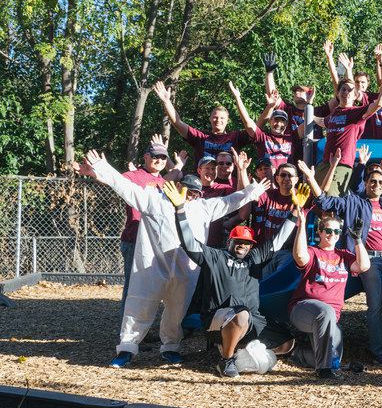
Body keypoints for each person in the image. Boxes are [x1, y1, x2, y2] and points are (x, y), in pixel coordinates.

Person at [75, 150, 269, 367]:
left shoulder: (203, 208)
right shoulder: (153, 200)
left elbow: (230, 201)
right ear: (177, 187)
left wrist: (253, 190)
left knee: (177, 310)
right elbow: (124, 186)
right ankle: (127, 348)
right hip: (152, 265)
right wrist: (103, 167)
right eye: (188, 191)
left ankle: (170, 347)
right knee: (140, 305)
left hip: (185, 269)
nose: (191, 196)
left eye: (196, 193)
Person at [169, 181, 299, 376]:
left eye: (247, 243)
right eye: (238, 241)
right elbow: (188, 242)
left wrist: (295, 212)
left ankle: (240, 350)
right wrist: (180, 210)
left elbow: (278, 241)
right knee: (241, 314)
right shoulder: (216, 257)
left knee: (288, 342)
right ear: (230, 241)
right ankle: (226, 360)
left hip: (252, 320)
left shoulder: (255, 258)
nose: (242, 245)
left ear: (251, 246)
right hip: (217, 319)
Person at [300, 161, 382, 366]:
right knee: (376, 305)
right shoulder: (354, 203)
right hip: (369, 260)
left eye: (381, 181)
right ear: (365, 183)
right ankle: (378, 350)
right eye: (372, 181)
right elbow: (323, 201)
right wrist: (311, 178)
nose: (376, 184)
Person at [288, 208, 371, 378]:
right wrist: (302, 225)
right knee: (325, 312)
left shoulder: (343, 255)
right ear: (319, 231)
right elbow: (300, 256)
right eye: (328, 230)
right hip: (303, 309)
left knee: (334, 358)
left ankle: (299, 354)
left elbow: (363, 266)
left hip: (330, 317)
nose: (332, 234)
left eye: (336, 231)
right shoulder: (313, 252)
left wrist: (357, 240)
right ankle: (323, 371)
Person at [313, 44, 382, 194]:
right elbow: (323, 122)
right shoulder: (335, 113)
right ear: (338, 93)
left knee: (330, 198)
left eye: (350, 90)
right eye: (343, 89)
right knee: (316, 199)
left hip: (342, 164)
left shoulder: (356, 113)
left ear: (356, 95)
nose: (346, 92)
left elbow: (380, 103)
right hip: (325, 163)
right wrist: (308, 114)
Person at [118, 137, 168, 310]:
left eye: (163, 157)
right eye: (155, 156)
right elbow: (114, 180)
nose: (159, 160)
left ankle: (141, 329)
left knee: (149, 287)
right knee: (133, 286)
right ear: (146, 157)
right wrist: (95, 172)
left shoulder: (164, 182)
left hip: (154, 243)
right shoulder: (134, 176)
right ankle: (127, 332)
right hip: (134, 240)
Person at [152, 80, 249, 161]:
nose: (218, 120)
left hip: (229, 183)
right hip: (202, 182)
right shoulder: (200, 137)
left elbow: (253, 127)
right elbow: (177, 122)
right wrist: (166, 101)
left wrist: (238, 98)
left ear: (227, 121)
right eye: (215, 117)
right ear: (210, 119)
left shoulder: (235, 137)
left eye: (222, 118)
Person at [228, 81, 300, 172]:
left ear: (286, 124)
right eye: (276, 120)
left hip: (286, 179)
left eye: (282, 121)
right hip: (267, 179)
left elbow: (308, 122)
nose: (278, 124)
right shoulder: (263, 137)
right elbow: (247, 121)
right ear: (270, 121)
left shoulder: (292, 137)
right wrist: (237, 97)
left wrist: (309, 103)